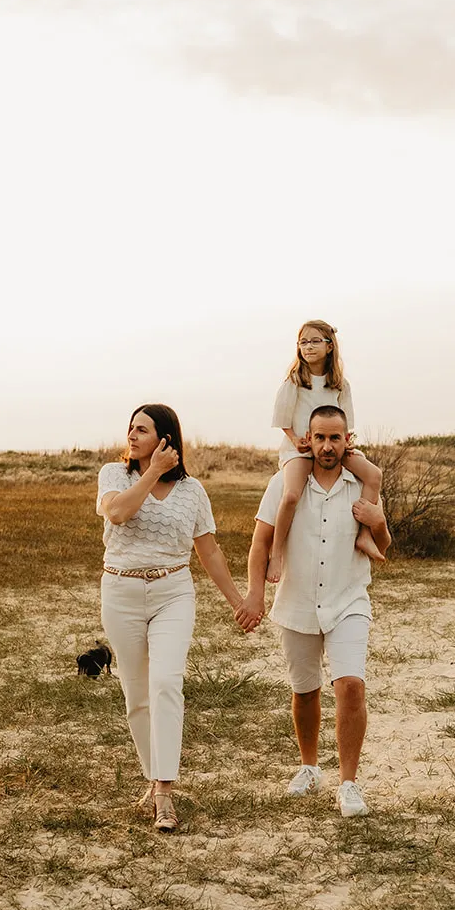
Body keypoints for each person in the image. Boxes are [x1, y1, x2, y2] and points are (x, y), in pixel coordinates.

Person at [97, 403, 258, 832]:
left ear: (165, 438)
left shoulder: (193, 492)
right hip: (121, 591)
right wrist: (150, 472)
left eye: (142, 430)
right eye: (130, 428)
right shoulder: (114, 476)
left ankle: (165, 792)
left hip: (173, 592)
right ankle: (154, 780)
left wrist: (237, 600)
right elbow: (117, 513)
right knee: (137, 695)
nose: (132, 436)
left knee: (167, 682)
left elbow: (208, 551)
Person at [245, 404, 391, 817]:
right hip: (297, 601)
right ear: (308, 439)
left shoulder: (360, 485)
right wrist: (255, 593)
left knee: (350, 686)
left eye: (336, 438)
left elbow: (383, 546)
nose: (328, 446)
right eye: (321, 437)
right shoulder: (283, 483)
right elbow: (260, 543)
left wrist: (378, 521)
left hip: (349, 600)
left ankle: (348, 784)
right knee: (305, 690)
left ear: (348, 441)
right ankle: (309, 768)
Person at [267, 319, 383, 584]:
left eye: (315, 341)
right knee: (291, 495)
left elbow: (347, 421)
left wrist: (347, 441)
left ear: (330, 346)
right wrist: (295, 439)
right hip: (302, 448)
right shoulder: (295, 381)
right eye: (303, 342)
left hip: (333, 446)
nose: (308, 347)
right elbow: (283, 418)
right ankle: (276, 553)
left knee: (374, 475)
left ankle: (364, 534)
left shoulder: (340, 384)